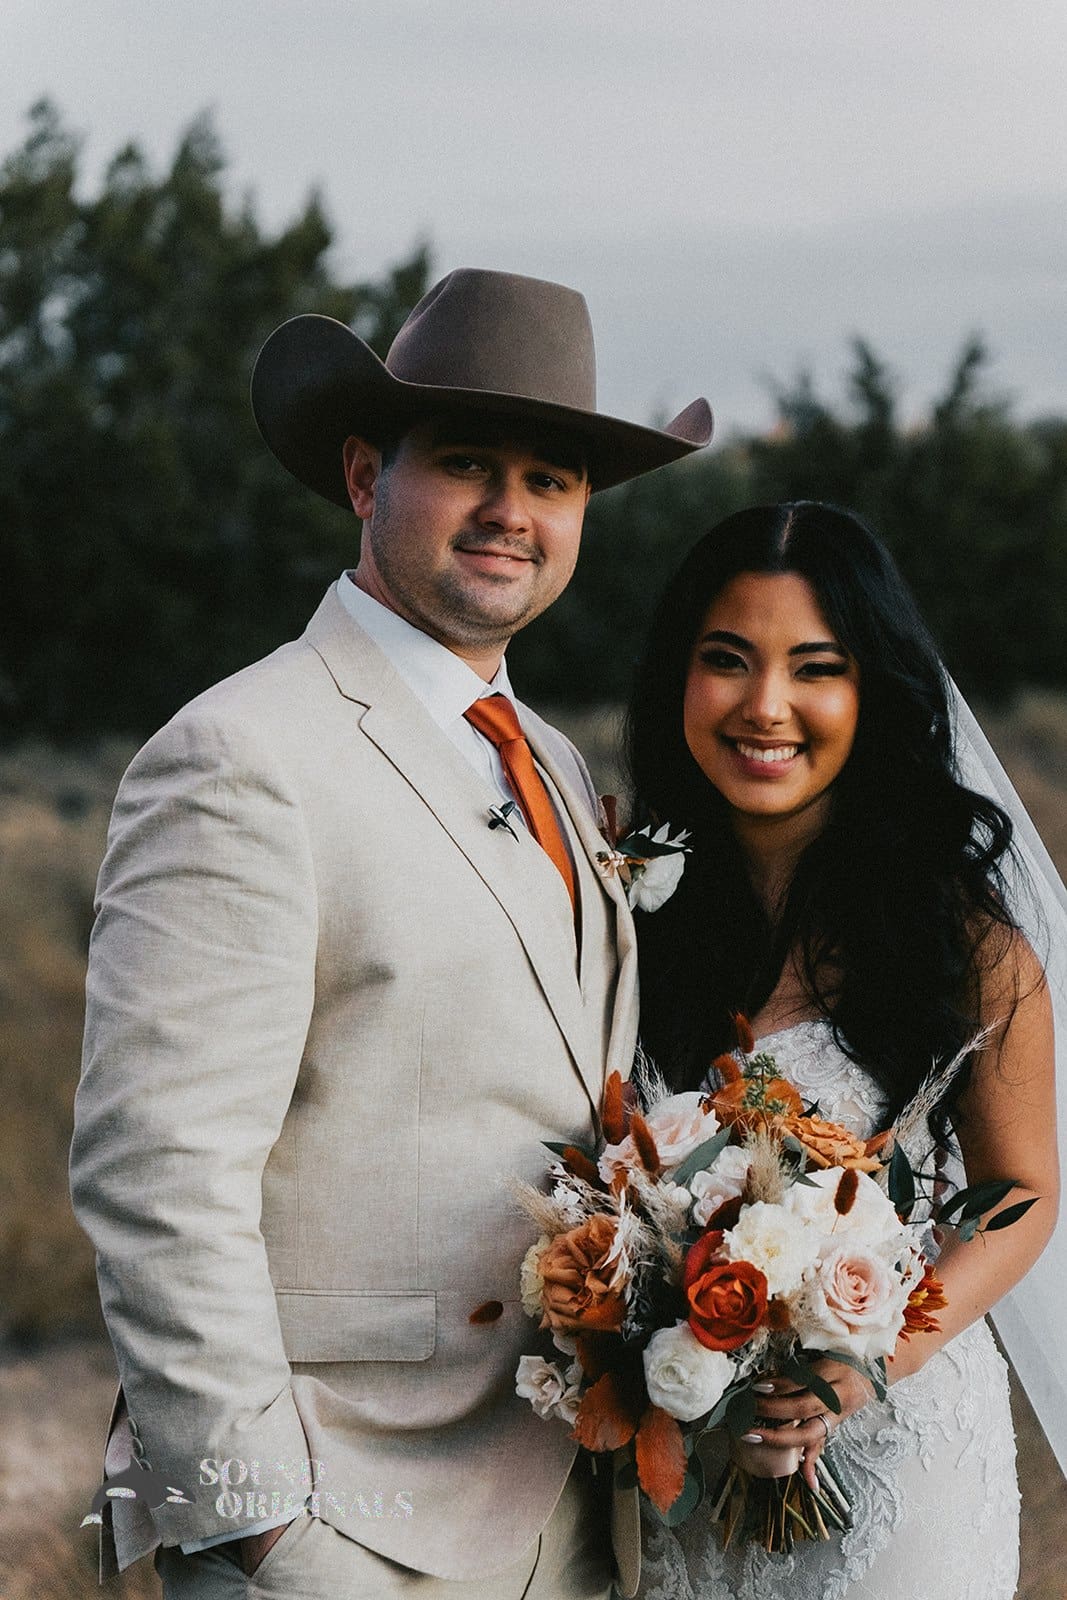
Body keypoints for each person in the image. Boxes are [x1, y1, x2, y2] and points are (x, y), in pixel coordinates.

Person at [69, 267, 712, 1600]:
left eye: (550, 480)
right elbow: (156, 1174)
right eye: (467, 463)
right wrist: (262, 1535)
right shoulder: (239, 755)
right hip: (342, 1522)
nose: (511, 510)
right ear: (364, 475)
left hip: (570, 1513)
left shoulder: (551, 760)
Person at [624, 501, 1061, 1600]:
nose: (764, 705)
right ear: (678, 676)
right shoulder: (622, 919)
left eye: (814, 667)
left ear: (874, 692)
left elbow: (1019, 1191)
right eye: (727, 660)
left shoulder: (964, 946)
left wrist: (859, 1363)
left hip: (896, 1454)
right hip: (688, 1455)